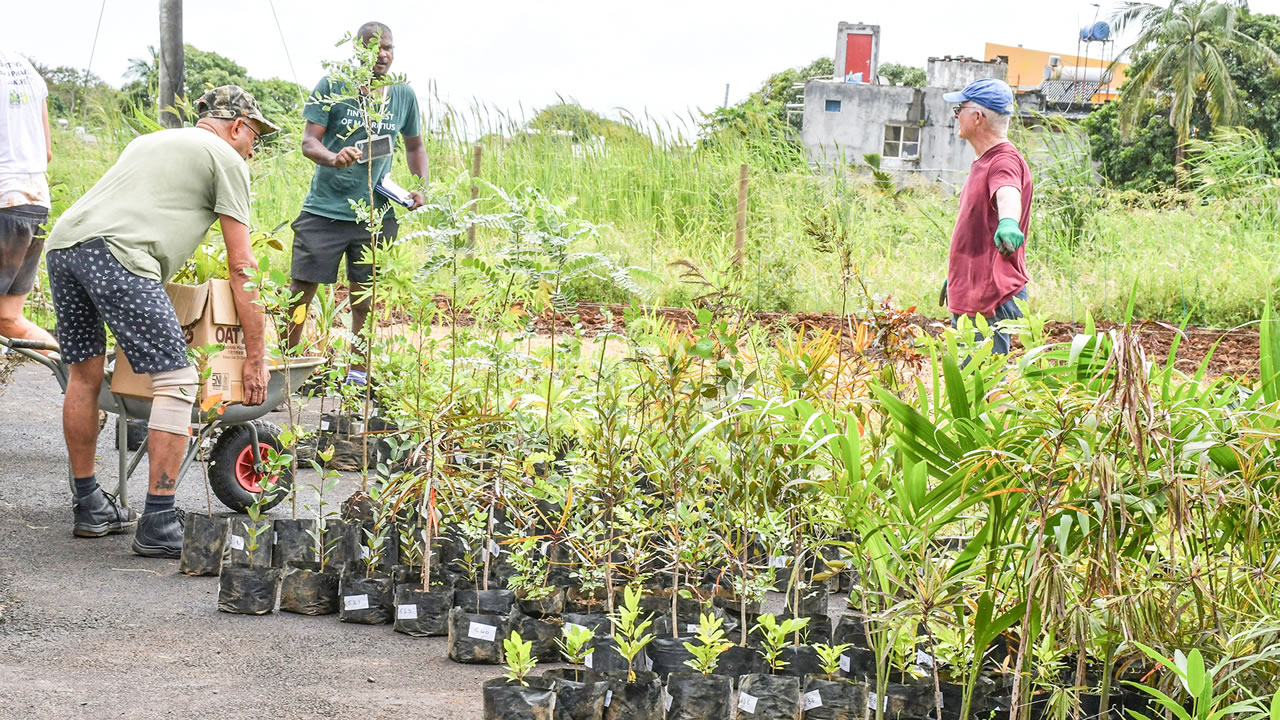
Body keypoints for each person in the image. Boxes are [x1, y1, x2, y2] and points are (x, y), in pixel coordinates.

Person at [43, 86, 277, 557]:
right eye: (255, 135)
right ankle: (159, 519)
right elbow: (242, 268)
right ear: (237, 126)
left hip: (64, 245)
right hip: (118, 255)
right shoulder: (228, 160)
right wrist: (256, 357)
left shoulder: (150, 141)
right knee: (177, 379)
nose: (255, 147)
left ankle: (89, 505)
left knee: (86, 376)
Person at [287, 21, 429, 384]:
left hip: (376, 213)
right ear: (358, 50)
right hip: (326, 210)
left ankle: (357, 373)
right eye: (373, 47)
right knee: (302, 292)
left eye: (388, 48)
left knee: (365, 297)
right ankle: (287, 365)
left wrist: (418, 187)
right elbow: (309, 143)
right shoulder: (333, 86)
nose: (382, 54)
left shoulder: (401, 94)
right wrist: (333, 157)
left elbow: (414, 146)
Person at [941, 77, 1032, 355]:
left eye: (959, 109)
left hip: (988, 295)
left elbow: (1008, 193)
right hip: (973, 287)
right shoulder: (986, 160)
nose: (956, 116)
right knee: (969, 382)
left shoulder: (1002, 161)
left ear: (977, 117)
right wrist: (958, 272)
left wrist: (1008, 222)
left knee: (981, 385)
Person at [0, 48, 58, 352]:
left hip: (4, 202)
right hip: (34, 202)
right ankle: (83, 382)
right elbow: (46, 153)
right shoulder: (24, 68)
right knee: (8, 318)